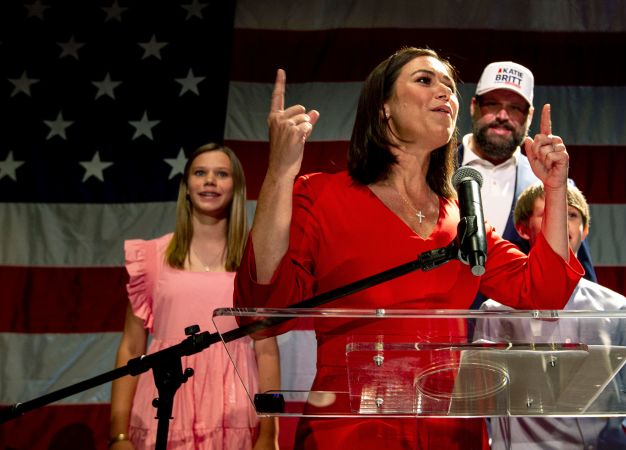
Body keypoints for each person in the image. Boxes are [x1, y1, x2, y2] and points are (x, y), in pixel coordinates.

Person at [233, 47, 585, 450]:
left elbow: (544, 291)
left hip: (450, 434)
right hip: (349, 434)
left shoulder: (461, 217)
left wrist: (556, 188)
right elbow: (262, 312)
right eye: (425, 81)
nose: (445, 94)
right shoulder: (321, 196)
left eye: (450, 87)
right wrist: (279, 171)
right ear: (383, 108)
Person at [109, 143, 281, 450]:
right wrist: (118, 434)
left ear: (236, 187)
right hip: (163, 407)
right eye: (200, 173)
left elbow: (267, 352)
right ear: (187, 186)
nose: (209, 181)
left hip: (233, 411)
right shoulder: (151, 258)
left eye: (221, 174)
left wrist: (270, 434)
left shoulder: (253, 263)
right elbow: (131, 347)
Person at [476, 182, 626, 449]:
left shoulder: (617, 309)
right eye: (548, 214)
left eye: (571, 215)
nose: (561, 223)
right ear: (522, 228)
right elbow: (481, 405)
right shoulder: (495, 313)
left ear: (585, 229)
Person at [457, 61, 597, 289]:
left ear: (529, 116)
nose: (502, 115)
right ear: (474, 106)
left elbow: (579, 286)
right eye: (492, 104)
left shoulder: (553, 185)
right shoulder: (432, 172)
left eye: (515, 108)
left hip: (520, 323)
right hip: (444, 322)